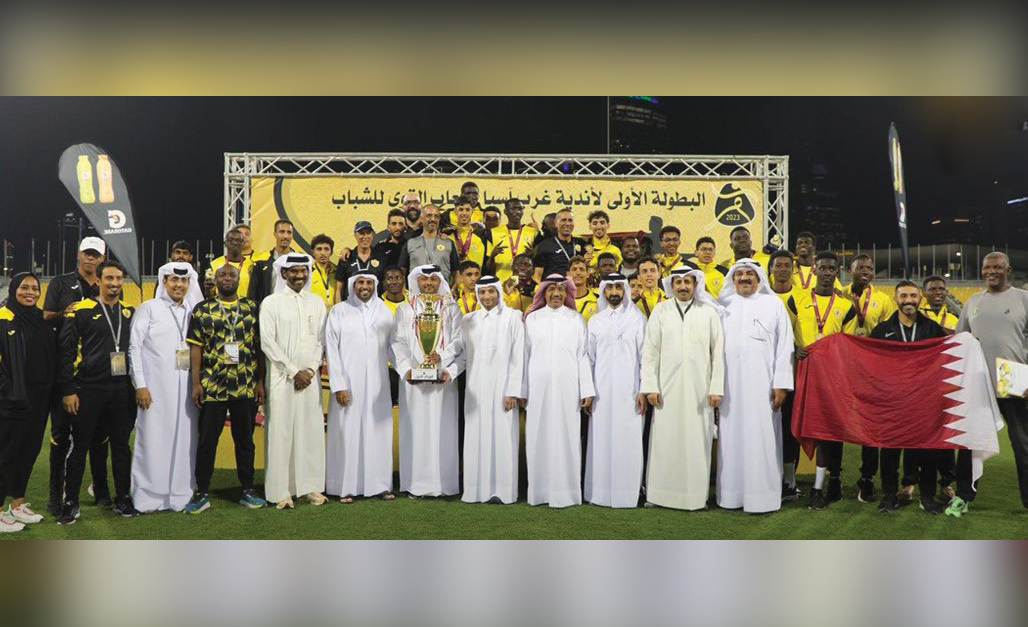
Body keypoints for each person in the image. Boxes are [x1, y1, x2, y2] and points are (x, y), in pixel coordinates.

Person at [56, 261, 138, 525]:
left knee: (121, 448)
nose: (114, 283)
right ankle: (71, 502)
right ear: (99, 281)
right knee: (79, 448)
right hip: (88, 389)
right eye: (109, 278)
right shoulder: (81, 310)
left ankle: (123, 497)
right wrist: (69, 390)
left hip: (120, 390)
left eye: (118, 279)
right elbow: (66, 353)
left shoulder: (129, 312)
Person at [183, 263, 267, 514]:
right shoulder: (203, 310)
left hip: (244, 386)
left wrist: (260, 381)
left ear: (239, 279)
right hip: (213, 386)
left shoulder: (252, 308)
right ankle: (202, 491)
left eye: (232, 274)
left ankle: (247, 489)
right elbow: (196, 348)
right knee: (208, 441)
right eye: (222, 275)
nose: (227, 278)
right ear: (215, 279)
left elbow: (259, 348)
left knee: (245, 441)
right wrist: (197, 383)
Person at [949, 251, 1028, 517]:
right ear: (982, 270)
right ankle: (963, 497)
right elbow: (960, 342)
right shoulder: (972, 301)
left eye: (997, 267)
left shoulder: (1023, 299)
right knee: (971, 441)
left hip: (1014, 378)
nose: (991, 271)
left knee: (1022, 441)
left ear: (1008, 269)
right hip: (979, 381)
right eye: (987, 267)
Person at [640, 268, 725, 510]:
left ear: (695, 284)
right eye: (678, 282)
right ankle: (659, 496)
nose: (683, 286)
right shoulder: (661, 311)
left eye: (687, 282)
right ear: (672, 286)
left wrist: (716, 388)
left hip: (701, 390)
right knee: (665, 441)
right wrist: (650, 386)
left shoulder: (709, 312)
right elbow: (650, 351)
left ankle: (696, 498)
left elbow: (718, 352)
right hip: (666, 389)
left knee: (697, 441)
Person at [715, 259, 794, 514]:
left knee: (763, 438)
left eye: (750, 274)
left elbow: (785, 347)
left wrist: (781, 384)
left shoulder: (773, 305)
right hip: (729, 388)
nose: (745, 278)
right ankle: (731, 495)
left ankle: (763, 497)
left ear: (759, 279)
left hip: (763, 386)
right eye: (740, 274)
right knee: (731, 438)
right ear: (733, 279)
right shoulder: (723, 306)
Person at [868, 281, 949, 515]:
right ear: (896, 299)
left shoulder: (932, 329)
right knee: (891, 450)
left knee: (927, 450)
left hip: (923, 402)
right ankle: (890, 496)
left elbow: (945, 359)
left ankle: (926, 496)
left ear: (920, 299)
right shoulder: (882, 330)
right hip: (892, 402)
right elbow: (871, 363)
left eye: (913, 296)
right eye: (903, 296)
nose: (909, 300)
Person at [785, 252, 858, 510]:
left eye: (832, 269)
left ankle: (827, 483)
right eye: (823, 268)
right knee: (798, 425)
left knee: (830, 430)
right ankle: (790, 482)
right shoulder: (796, 300)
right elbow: (785, 336)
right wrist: (795, 347)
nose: (827, 272)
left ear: (837, 273)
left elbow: (848, 346)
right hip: (802, 374)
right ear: (814, 270)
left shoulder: (847, 306)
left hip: (831, 377)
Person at [42, 235, 109, 514]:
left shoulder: (106, 284)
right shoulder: (61, 282)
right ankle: (56, 495)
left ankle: (101, 490)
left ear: (102, 259)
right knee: (60, 433)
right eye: (86, 253)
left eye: (95, 254)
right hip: (64, 367)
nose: (90, 258)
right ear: (78, 255)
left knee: (99, 433)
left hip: (96, 371)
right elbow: (45, 316)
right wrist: (65, 312)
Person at [129, 262, 202, 513]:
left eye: (183, 281)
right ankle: (148, 495)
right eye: (174, 281)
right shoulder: (149, 309)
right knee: (153, 440)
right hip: (155, 390)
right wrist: (141, 385)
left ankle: (180, 493)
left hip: (186, 391)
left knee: (185, 441)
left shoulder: (194, 310)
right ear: (164, 282)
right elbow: (134, 348)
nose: (179, 285)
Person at [259, 254, 328, 509]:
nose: (300, 276)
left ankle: (309, 488)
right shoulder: (271, 303)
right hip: (281, 378)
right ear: (284, 273)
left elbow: (321, 339)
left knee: (309, 431)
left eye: (304, 271)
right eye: (294, 271)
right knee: (281, 432)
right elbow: (267, 342)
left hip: (309, 379)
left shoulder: (317, 302)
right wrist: (292, 371)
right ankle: (280, 491)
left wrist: (309, 369)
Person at [391, 265, 465, 498]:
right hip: (414, 381)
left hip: (442, 379)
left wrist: (440, 358)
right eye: (424, 280)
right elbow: (397, 343)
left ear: (440, 282)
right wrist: (406, 370)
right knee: (417, 430)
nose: (429, 284)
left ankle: (445, 485)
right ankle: (417, 485)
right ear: (417, 282)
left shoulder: (452, 309)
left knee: (443, 430)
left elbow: (459, 341)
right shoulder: (405, 309)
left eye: (433, 279)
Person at [523, 274, 595, 508]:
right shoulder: (532, 320)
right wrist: (522, 390)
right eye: (551, 289)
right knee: (538, 436)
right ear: (543, 292)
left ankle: (567, 492)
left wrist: (586, 389)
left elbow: (582, 355)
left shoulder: (575, 319)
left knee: (568, 436)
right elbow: (523, 357)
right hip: (538, 389)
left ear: (567, 294)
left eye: (561, 290)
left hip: (568, 388)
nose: (556, 294)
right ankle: (540, 492)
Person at [325, 272, 396, 502]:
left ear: (375, 285)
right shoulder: (339, 311)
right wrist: (338, 385)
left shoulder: (385, 311)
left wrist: (410, 371)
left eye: (368, 282)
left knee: (379, 433)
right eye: (360, 282)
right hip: (348, 385)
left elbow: (394, 348)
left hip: (378, 386)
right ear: (352, 285)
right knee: (347, 433)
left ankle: (381, 485)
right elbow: (331, 350)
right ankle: (344, 487)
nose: (364, 286)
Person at [460, 276, 526, 504]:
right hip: (476, 389)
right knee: (476, 437)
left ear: (498, 293)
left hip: (503, 389)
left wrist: (513, 391)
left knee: (503, 438)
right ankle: (476, 491)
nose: (487, 296)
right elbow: (462, 355)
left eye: (491, 292)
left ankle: (503, 491)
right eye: (483, 292)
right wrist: (445, 369)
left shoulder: (513, 318)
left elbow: (519, 357)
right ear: (477, 294)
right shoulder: (468, 320)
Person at [0, 273, 57, 531]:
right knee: (7, 454)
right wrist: (7, 389)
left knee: (29, 451)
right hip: (12, 399)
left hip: (39, 397)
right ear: (14, 289)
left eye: (35, 288)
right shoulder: (3, 317)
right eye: (24, 288)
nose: (30, 292)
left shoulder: (39, 318)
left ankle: (17, 504)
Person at [585, 274, 646, 508]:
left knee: (628, 442)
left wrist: (643, 389)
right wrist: (588, 391)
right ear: (603, 291)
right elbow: (589, 359)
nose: (614, 291)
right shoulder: (595, 321)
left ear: (625, 290)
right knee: (601, 441)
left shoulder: (637, 319)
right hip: (600, 392)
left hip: (630, 392)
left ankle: (627, 494)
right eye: (609, 287)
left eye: (618, 287)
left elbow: (645, 358)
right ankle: (600, 493)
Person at [843, 254, 898, 504]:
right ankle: (833, 477)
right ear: (850, 271)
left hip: (872, 370)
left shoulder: (883, 299)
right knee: (838, 420)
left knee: (872, 425)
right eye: (861, 267)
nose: (866, 271)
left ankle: (867, 478)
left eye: (870, 268)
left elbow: (889, 334)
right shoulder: (839, 294)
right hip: (844, 367)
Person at [767, 249, 802, 499]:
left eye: (787, 265)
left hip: (792, 371)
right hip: (760, 370)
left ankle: (790, 480)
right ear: (770, 269)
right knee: (765, 425)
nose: (782, 269)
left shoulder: (801, 298)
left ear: (793, 269)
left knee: (790, 425)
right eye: (778, 265)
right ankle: (766, 475)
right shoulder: (761, 295)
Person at [397, 205, 460, 281]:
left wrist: (453, 289)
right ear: (421, 218)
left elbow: (456, 272)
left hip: (442, 292)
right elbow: (401, 271)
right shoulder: (410, 243)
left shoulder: (448, 243)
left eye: (436, 216)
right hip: (416, 292)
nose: (433, 219)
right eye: (429, 216)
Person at [334, 222, 387, 303]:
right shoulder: (346, 258)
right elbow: (339, 289)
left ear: (373, 235)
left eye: (368, 233)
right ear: (355, 235)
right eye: (361, 233)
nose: (365, 237)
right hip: (351, 308)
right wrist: (338, 310)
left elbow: (385, 286)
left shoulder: (381, 257)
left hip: (374, 309)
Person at [249, 219, 297, 305]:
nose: (285, 236)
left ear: (292, 235)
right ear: (275, 234)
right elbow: (253, 294)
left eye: (289, 232)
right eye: (282, 232)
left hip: (293, 311)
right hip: (269, 312)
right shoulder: (261, 262)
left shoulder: (299, 262)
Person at [533, 208, 588, 281]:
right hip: (554, 289)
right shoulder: (544, 246)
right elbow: (537, 275)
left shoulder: (582, 243)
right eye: (563, 220)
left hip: (577, 288)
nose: (567, 224)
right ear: (556, 223)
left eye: (570, 220)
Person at [492, 198, 538, 283]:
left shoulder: (533, 232)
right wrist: (492, 255)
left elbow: (538, 263)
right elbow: (488, 266)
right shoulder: (494, 232)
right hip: (501, 282)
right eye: (513, 208)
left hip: (525, 283)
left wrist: (533, 256)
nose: (517, 212)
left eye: (520, 209)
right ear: (505, 211)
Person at [448, 195, 494, 269]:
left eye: (467, 210)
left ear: (472, 212)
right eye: (461, 209)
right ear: (455, 212)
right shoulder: (449, 237)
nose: (464, 213)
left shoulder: (480, 238)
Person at [209, 228, 255, 299]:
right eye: (230, 240)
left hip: (246, 307)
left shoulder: (252, 265)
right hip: (221, 307)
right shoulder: (214, 264)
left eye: (238, 240)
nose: (234, 243)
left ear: (243, 243)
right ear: (225, 244)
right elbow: (210, 293)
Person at [309, 234, 337, 309]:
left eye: (326, 249)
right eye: (319, 249)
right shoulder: (307, 272)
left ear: (331, 252)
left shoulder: (337, 272)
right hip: (314, 315)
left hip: (333, 316)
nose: (323, 253)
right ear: (313, 252)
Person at [568, 256, 598, 322]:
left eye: (582, 269)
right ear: (568, 274)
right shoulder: (562, 300)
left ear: (588, 274)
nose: (578, 273)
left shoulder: (598, 299)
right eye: (574, 269)